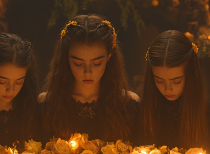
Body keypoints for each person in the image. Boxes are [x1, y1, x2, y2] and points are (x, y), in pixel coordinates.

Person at [38, 14, 140, 142]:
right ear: (66, 58)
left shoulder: (128, 104)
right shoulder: (47, 104)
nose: (87, 72)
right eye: (78, 63)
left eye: (97, 63)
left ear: (109, 57)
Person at [136, 30, 210, 154]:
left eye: (176, 81)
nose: (168, 89)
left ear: (191, 74)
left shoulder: (209, 112)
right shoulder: (142, 111)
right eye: (159, 81)